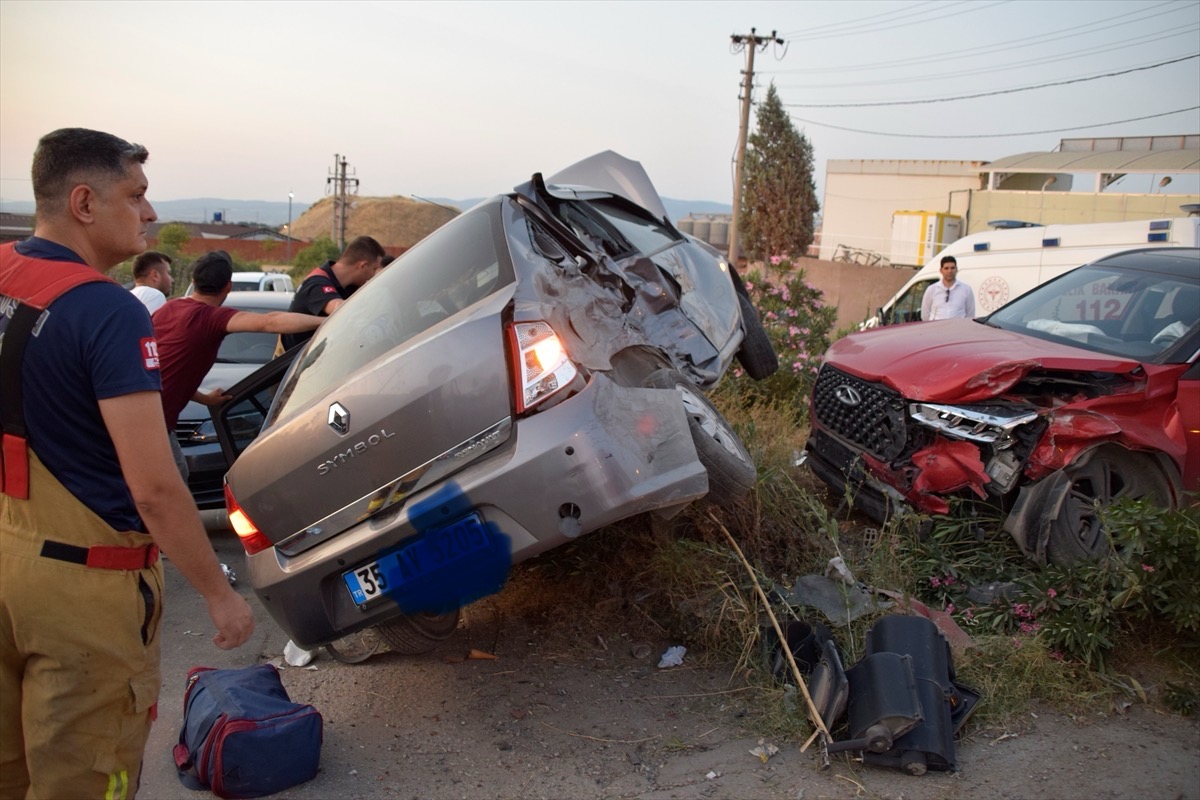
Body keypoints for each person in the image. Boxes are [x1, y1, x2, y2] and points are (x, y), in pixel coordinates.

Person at [0, 127, 254, 799]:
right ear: (85, 202)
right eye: (137, 196)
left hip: (6, 550)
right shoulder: (107, 311)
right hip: (83, 591)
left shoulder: (2, 272)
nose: (150, 214)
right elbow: (155, 488)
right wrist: (219, 595)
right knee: (88, 780)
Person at [153, 249, 324, 479]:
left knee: (175, 476)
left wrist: (204, 398)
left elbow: (163, 367)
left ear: (194, 282)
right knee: (170, 485)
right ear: (228, 287)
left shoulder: (168, 309)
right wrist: (327, 319)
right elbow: (270, 322)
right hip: (153, 423)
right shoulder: (211, 318)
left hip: (145, 414)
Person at [281, 235, 386, 349]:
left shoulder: (347, 285)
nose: (373, 275)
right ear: (362, 266)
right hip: (292, 361)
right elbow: (339, 308)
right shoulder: (317, 284)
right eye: (374, 269)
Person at [921, 255, 976, 321]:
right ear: (941, 270)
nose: (949, 271)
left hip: (957, 329)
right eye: (946, 268)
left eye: (952, 268)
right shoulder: (931, 290)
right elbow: (925, 314)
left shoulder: (966, 290)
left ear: (956, 270)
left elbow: (970, 315)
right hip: (936, 329)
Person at [130, 249, 173, 314]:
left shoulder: (129, 295)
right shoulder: (155, 295)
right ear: (155, 275)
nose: (172, 280)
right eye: (168, 273)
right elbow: (153, 324)